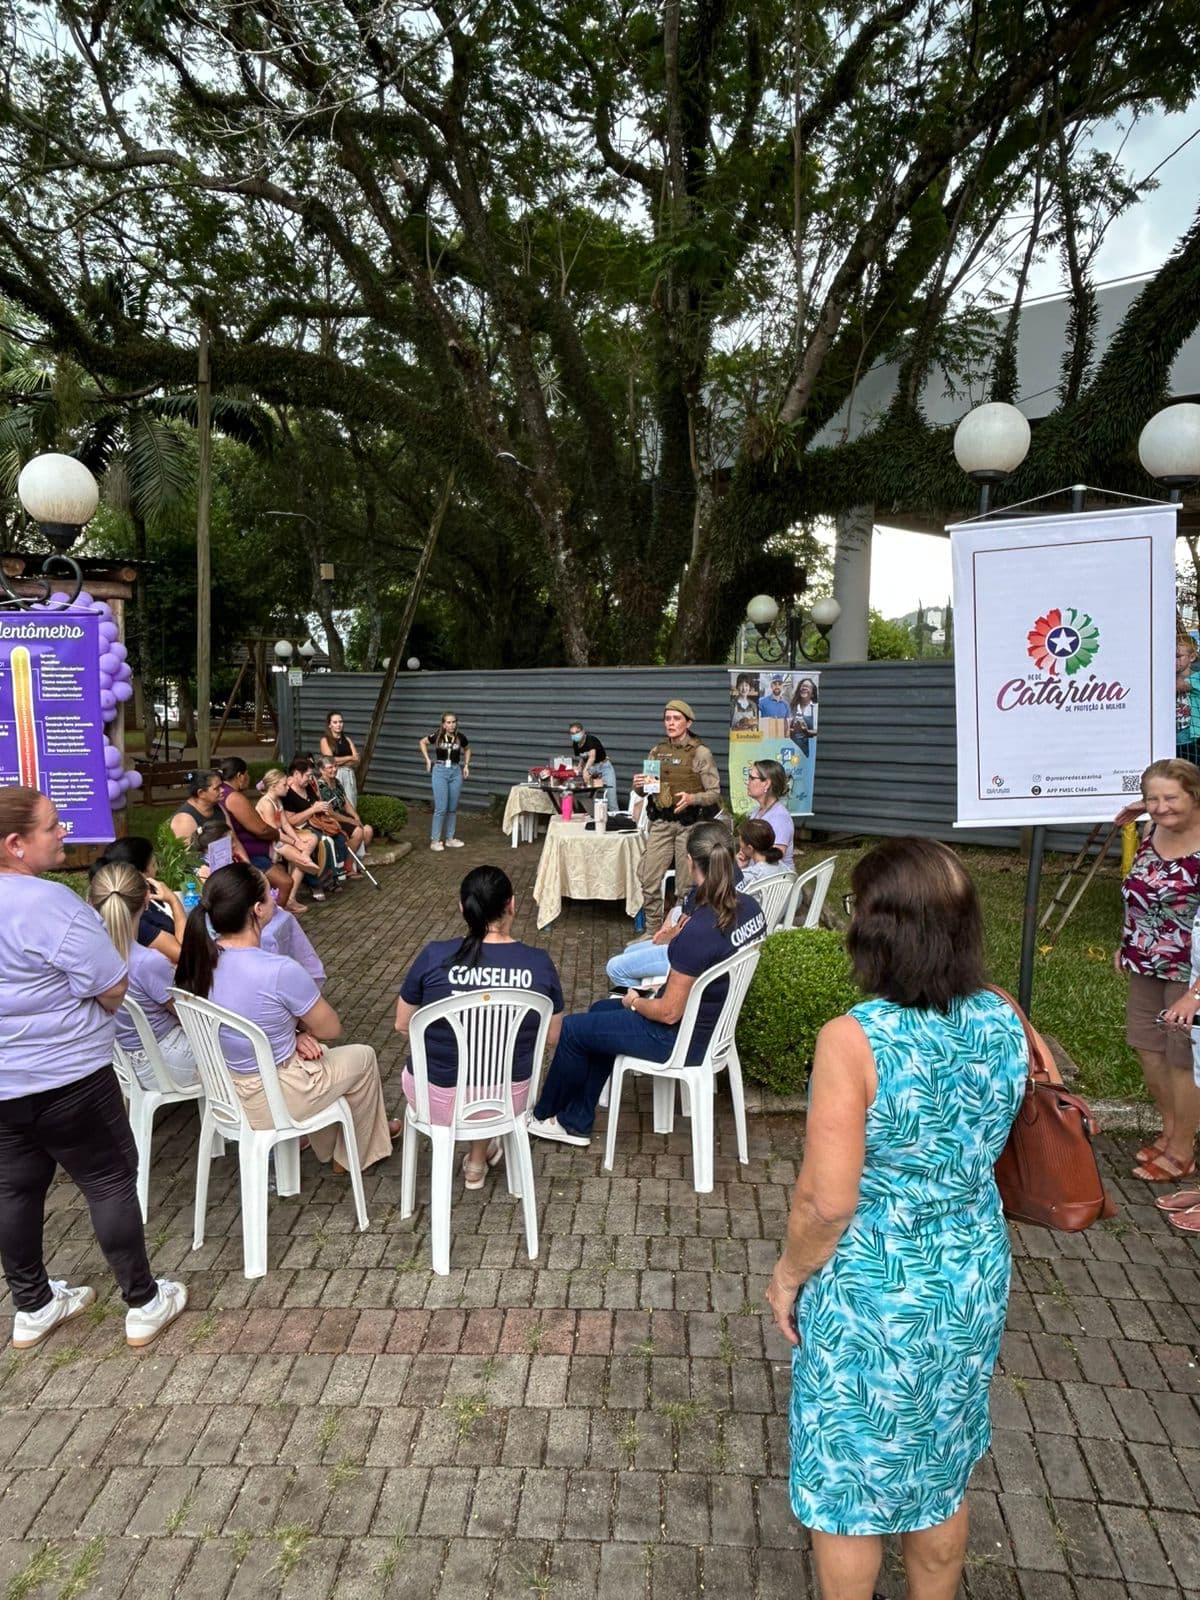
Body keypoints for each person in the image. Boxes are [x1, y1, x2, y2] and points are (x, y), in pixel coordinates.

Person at [766, 837, 1036, 1600]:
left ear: (877, 928)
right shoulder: (1004, 1015)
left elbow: (827, 1202)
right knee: (939, 1472)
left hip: (876, 1288)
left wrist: (788, 1277)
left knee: (849, 1496)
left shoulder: (854, 1040)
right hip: (970, 1273)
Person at [0, 785, 187, 1350]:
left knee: (14, 1191)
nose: (65, 832)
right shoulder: (50, 904)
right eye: (53, 826)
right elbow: (112, 987)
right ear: (15, 843)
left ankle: (31, 1305)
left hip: (6, 1086)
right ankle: (143, 1301)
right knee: (108, 1180)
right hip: (70, 1078)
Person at [529, 822, 765, 1145]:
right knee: (599, 1012)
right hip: (711, 1027)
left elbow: (668, 1013)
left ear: (689, 862)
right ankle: (575, 1119)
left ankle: (544, 1115)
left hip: (677, 1038)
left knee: (572, 1030)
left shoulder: (700, 930)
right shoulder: (751, 908)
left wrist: (635, 1002)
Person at [175, 863, 397, 1172]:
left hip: (224, 1090)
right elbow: (331, 1027)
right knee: (362, 1057)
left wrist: (292, 1036)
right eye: (271, 894)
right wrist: (296, 1032)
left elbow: (246, 1021)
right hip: (274, 1097)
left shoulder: (198, 960)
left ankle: (341, 1141)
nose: (276, 899)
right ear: (258, 910)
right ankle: (353, 1156)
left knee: (319, 1055)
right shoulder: (278, 970)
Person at [395, 865, 563, 1188]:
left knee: (462, 1069)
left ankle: (476, 1160)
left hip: (438, 1099)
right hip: (508, 1099)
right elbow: (552, 1037)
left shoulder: (434, 956)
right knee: (488, 1073)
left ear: (462, 908)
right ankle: (477, 1159)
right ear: (513, 904)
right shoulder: (539, 964)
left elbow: (403, 1023)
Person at [1116, 758, 1200, 1183]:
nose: (1162, 806)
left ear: (1194, 796)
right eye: (1154, 798)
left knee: (1182, 1059)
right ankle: (1169, 1131)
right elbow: (1139, 892)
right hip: (1145, 961)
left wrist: (1197, 993)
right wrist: (1127, 941)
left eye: (1172, 798)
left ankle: (1184, 1148)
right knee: (1149, 1050)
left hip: (1190, 974)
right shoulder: (1151, 831)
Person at [88, 862, 199, 1089]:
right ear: (147, 901)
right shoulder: (147, 961)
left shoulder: (86, 956)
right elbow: (188, 1016)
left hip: (118, 1063)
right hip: (165, 1063)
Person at [632, 699, 721, 934]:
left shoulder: (701, 753)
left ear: (688, 722)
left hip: (688, 824)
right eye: (667, 719)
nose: (670, 723)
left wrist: (692, 799)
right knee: (648, 878)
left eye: (676, 719)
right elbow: (648, 789)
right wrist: (639, 786)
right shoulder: (657, 751)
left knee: (685, 884)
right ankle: (652, 932)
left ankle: (680, 932)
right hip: (661, 822)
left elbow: (714, 793)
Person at [92, 836, 187, 962]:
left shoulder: (123, 902)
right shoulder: (136, 918)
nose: (157, 869)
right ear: (140, 875)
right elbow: (186, 955)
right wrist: (174, 901)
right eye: (153, 864)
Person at [218, 757, 293, 906]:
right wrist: (277, 835)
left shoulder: (224, 793)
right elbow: (260, 829)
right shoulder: (233, 796)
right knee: (285, 882)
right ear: (240, 776)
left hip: (249, 849)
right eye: (247, 774)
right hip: (248, 852)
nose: (249, 778)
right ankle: (272, 922)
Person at [256, 768, 329, 905]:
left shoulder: (277, 801)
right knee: (301, 859)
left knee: (309, 842)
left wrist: (296, 840)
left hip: (279, 839)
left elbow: (285, 824)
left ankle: (293, 892)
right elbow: (274, 832)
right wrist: (295, 843)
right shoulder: (266, 803)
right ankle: (307, 871)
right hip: (271, 842)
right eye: (284, 785)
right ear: (273, 787)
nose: (287, 788)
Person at [420, 713, 470, 851]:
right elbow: (422, 742)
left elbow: (467, 748)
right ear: (443, 724)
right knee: (441, 808)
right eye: (448, 722)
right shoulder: (437, 736)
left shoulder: (460, 737)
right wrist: (427, 760)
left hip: (455, 770)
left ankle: (450, 839)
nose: (451, 725)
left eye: (453, 722)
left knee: (452, 808)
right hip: (440, 770)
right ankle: (435, 840)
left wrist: (466, 765)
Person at [315, 755, 375, 862]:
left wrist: (356, 817)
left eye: (335, 766)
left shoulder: (337, 782)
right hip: (332, 819)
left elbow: (346, 802)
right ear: (322, 770)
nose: (334, 769)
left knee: (368, 830)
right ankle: (348, 863)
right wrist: (350, 820)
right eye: (330, 767)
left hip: (341, 815)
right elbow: (329, 812)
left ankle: (356, 859)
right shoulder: (321, 787)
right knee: (358, 832)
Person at [746, 756, 795, 868]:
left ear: (766, 784)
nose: (747, 782)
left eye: (752, 778)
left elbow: (775, 860)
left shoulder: (780, 818)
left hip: (775, 883)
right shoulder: (757, 812)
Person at [169, 768, 227, 846]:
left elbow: (234, 841)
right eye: (217, 788)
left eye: (221, 786)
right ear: (201, 793)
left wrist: (244, 858)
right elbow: (189, 856)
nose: (222, 790)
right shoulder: (184, 820)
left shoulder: (218, 807)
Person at [569, 722, 617, 812]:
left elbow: (592, 757)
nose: (575, 735)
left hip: (604, 767)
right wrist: (580, 766)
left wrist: (585, 770)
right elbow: (583, 757)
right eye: (572, 733)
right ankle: (591, 816)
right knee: (586, 795)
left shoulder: (591, 740)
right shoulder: (575, 744)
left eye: (577, 732)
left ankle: (617, 820)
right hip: (592, 768)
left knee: (611, 799)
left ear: (583, 731)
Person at [319, 711, 360, 808]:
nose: (338, 725)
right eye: (335, 722)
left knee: (351, 803)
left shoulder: (348, 740)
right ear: (329, 725)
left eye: (340, 722)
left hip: (349, 774)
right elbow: (330, 760)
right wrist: (350, 758)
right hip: (334, 774)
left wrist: (340, 761)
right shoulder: (325, 740)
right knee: (336, 804)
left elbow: (357, 760)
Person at [736, 817, 786, 884]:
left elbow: (735, 892)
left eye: (740, 842)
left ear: (750, 848)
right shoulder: (784, 868)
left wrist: (740, 869)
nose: (740, 846)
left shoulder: (749, 876)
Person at [789, 677, 819, 753]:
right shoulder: (792, 708)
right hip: (792, 748)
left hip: (810, 750)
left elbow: (818, 731)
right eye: (803, 686)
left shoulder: (816, 708)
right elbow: (787, 728)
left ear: (812, 694)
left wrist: (806, 732)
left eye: (807, 687)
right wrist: (793, 730)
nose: (804, 688)